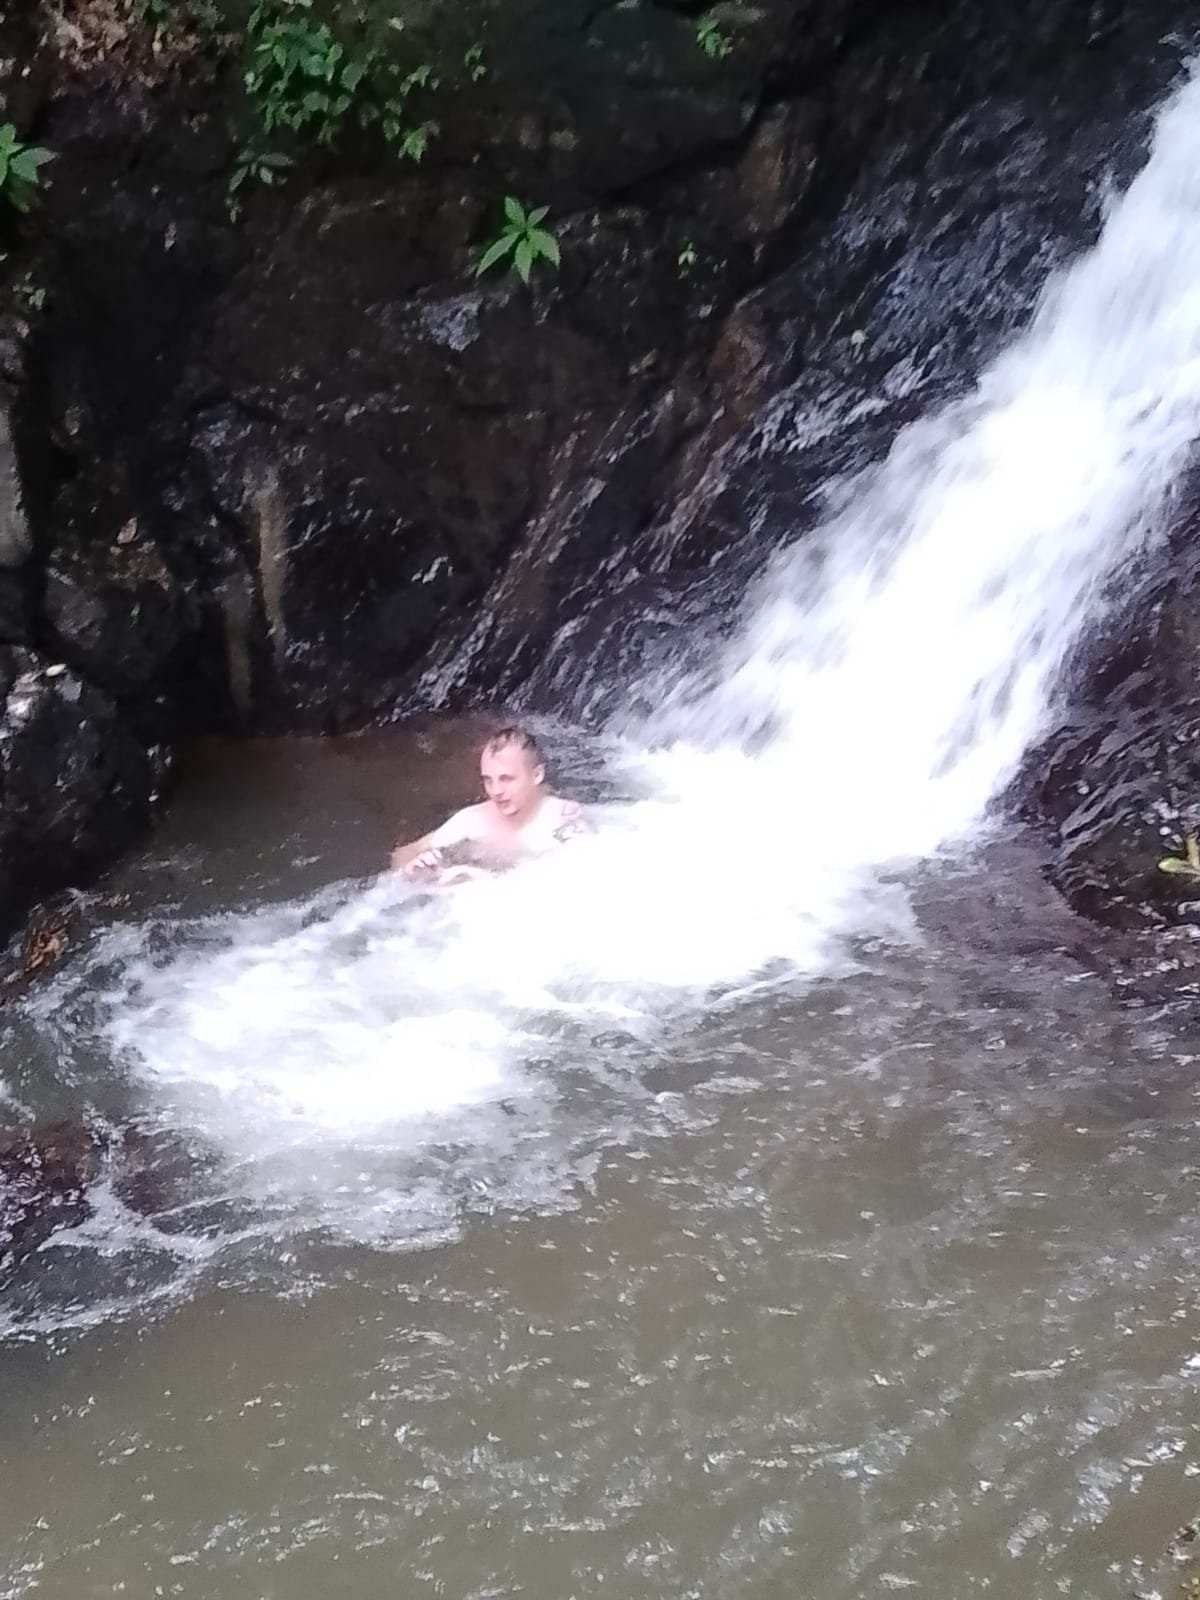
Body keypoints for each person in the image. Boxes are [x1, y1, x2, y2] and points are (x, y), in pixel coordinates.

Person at [391, 726, 588, 880]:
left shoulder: (564, 817)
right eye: (488, 780)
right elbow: (403, 854)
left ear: (537, 775)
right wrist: (414, 868)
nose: (496, 791)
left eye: (506, 779)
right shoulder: (472, 820)